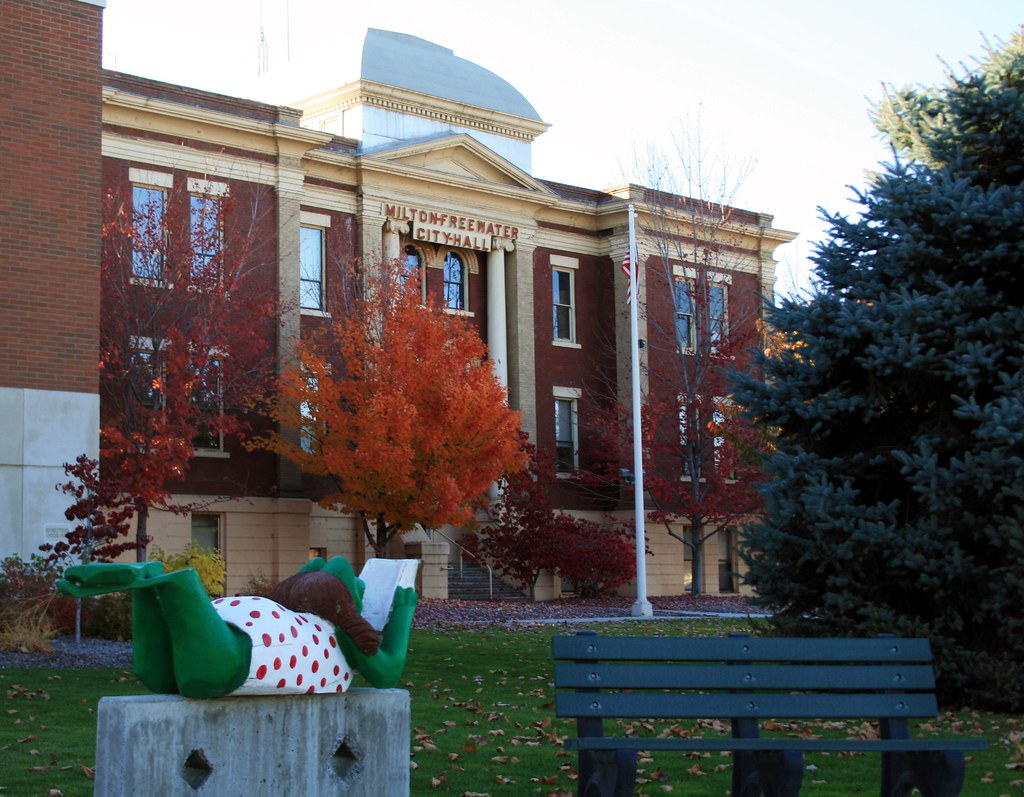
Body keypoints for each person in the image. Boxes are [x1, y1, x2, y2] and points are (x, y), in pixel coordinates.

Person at [57, 556, 417, 698]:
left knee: (161, 679)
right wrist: (403, 611)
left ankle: (148, 579)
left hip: (226, 621)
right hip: (232, 664)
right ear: (342, 601)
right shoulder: (336, 629)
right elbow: (387, 674)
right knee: (204, 679)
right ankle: (179, 584)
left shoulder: (286, 610)